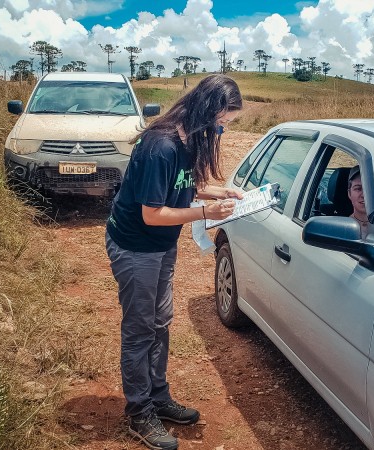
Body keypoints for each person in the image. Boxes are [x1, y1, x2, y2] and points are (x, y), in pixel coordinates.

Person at [104, 74, 243, 450]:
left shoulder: (186, 141)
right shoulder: (160, 146)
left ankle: (158, 396)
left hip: (160, 246)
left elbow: (180, 185)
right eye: (223, 122)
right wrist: (206, 213)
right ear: (206, 111)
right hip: (136, 246)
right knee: (140, 329)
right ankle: (138, 412)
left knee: (160, 322)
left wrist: (218, 190)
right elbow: (152, 212)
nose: (222, 130)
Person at [347, 166, 371, 239]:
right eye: (358, 189)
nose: (364, 195)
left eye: (369, 188)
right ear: (349, 193)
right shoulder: (344, 227)